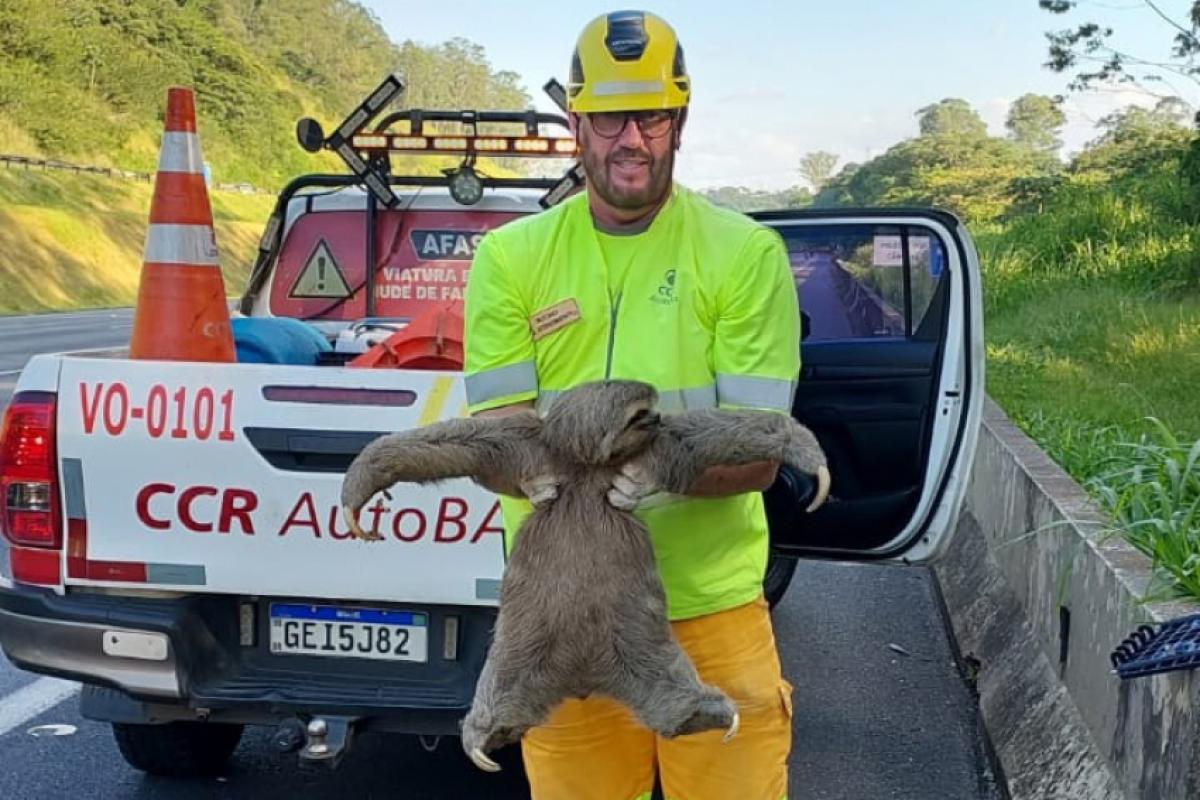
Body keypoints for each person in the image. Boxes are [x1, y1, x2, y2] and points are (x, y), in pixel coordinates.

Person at [463, 9, 801, 799]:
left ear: (679, 119)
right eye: (611, 115)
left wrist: (658, 472)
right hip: (562, 619)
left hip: (710, 613)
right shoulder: (510, 259)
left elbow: (757, 452)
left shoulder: (743, 255)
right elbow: (498, 446)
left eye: (650, 114)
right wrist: (543, 470)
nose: (631, 139)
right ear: (575, 122)